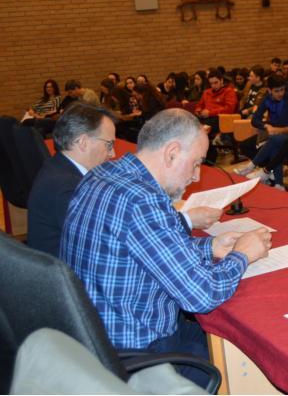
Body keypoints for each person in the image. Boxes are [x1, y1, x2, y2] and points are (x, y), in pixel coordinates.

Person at [61, 109, 272, 384]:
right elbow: (201, 295)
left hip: (98, 338)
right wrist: (242, 254)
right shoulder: (143, 200)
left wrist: (210, 246)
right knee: (249, 364)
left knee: (232, 343)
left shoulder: (102, 174)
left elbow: (147, 248)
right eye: (196, 163)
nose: (196, 176)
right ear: (172, 153)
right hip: (137, 352)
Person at [27, 103, 116, 257]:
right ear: (83, 142)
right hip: (64, 270)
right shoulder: (67, 187)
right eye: (109, 145)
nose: (113, 154)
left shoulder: (59, 167)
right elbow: (104, 246)